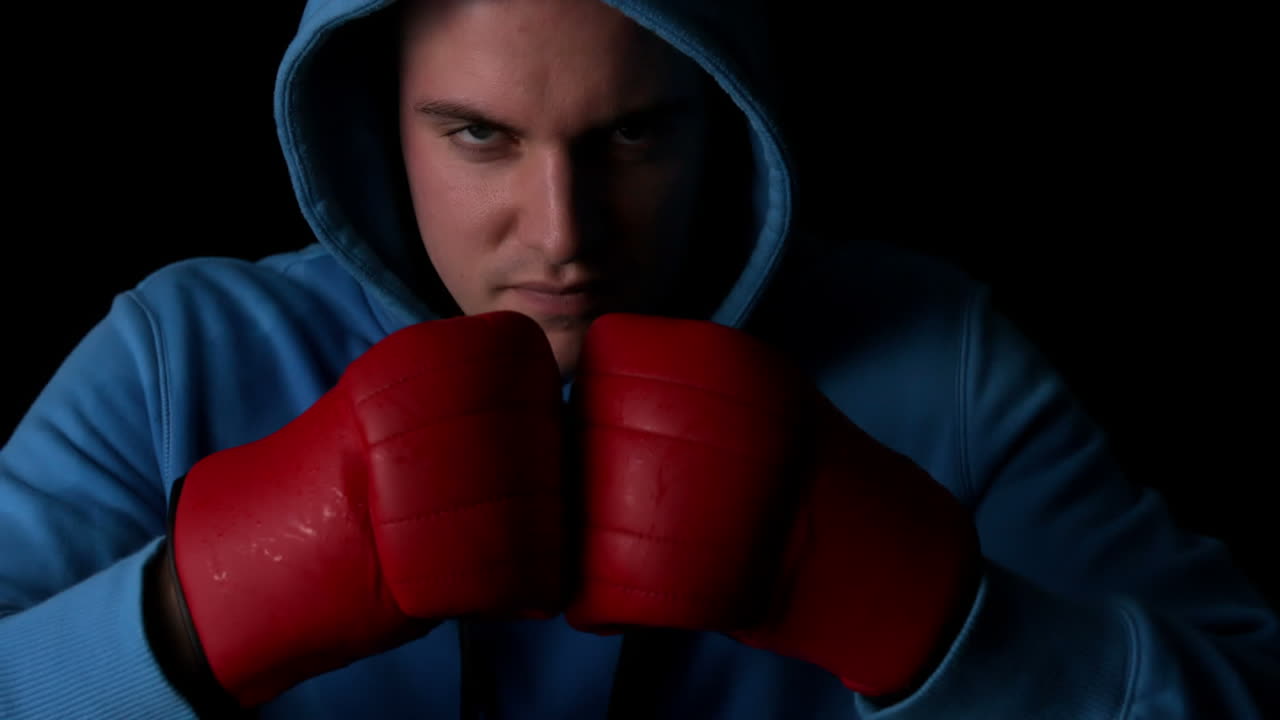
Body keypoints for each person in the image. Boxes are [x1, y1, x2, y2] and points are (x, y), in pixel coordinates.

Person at [1, 0, 1276, 717]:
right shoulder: (182, 355)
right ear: (372, 127)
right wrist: (188, 614)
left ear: (723, 120)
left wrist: (944, 626)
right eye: (479, 136)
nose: (562, 235)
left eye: (630, 138)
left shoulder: (932, 357)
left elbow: (1241, 692)